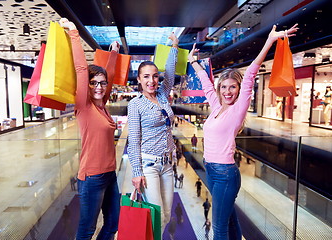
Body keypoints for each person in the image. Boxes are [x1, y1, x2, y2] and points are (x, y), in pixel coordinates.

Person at [188, 24, 299, 240]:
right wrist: (193, 61)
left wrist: (271, 40)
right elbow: (206, 85)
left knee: (219, 228)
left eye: (233, 87)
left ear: (239, 90)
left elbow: (250, 74)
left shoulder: (238, 110)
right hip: (210, 169)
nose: (227, 91)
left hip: (225, 174)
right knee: (229, 221)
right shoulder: (217, 106)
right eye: (224, 87)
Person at [60, 18, 121, 240]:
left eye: (102, 83)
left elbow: (110, 76)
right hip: (92, 177)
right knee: (86, 230)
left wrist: (113, 53)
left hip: (110, 175)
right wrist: (74, 33)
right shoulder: (83, 106)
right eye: (94, 82)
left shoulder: (102, 105)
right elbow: (81, 69)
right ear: (87, 85)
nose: (99, 86)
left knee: (113, 224)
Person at [127, 33, 179, 231]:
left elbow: (171, 74)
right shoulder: (135, 105)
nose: (151, 81)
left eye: (155, 76)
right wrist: (137, 172)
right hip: (149, 165)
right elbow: (133, 140)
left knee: (166, 215)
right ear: (139, 79)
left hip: (167, 164)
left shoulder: (163, 95)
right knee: (156, 215)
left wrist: (175, 45)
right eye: (146, 77)